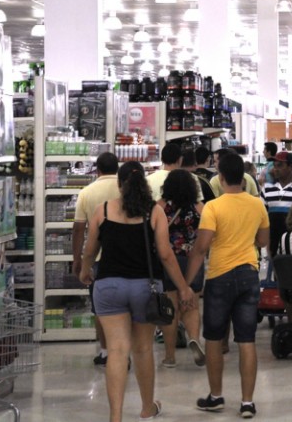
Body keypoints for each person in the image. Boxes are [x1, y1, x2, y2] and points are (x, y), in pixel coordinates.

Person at [79, 161, 195, 422]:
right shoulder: (154, 212)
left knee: (117, 351)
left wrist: (85, 271)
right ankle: (146, 408)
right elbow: (165, 255)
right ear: (143, 183)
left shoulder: (103, 211)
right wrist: (184, 287)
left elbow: (89, 250)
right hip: (145, 288)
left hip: (108, 286)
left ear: (119, 184)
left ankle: (116, 416)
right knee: (142, 349)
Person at [185, 153, 270, 418]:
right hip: (248, 275)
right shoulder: (257, 205)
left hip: (219, 277)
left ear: (220, 178)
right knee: (246, 340)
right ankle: (247, 403)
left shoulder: (213, 207)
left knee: (213, 338)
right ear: (243, 178)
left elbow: (201, 248)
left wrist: (187, 284)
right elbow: (264, 241)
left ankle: (216, 396)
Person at [72, 151, 121, 367]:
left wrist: (78, 259)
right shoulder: (125, 189)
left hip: (98, 260)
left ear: (98, 170)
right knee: (123, 308)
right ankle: (123, 351)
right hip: (124, 257)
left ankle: (105, 352)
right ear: (117, 168)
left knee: (100, 308)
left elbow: (78, 229)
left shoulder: (86, 193)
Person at [156, 169, 206, 369]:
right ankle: (194, 338)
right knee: (191, 303)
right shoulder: (199, 208)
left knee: (170, 307)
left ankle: (169, 356)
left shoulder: (160, 207)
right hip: (193, 260)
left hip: (169, 260)